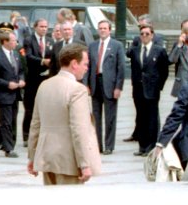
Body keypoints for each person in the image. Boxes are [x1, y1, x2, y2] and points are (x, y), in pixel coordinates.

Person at [27, 43, 101, 185]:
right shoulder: (77, 89)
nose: (87, 68)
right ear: (74, 64)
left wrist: (32, 157)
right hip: (69, 160)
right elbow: (79, 129)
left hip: (47, 157)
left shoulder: (44, 85)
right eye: (85, 64)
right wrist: (85, 164)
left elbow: (35, 125)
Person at [126, 24, 169, 156]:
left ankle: (151, 146)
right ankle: (142, 146)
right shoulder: (135, 50)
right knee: (141, 117)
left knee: (152, 118)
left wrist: (159, 86)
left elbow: (164, 70)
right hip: (138, 89)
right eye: (142, 34)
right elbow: (132, 64)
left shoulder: (159, 50)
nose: (144, 36)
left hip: (152, 89)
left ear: (152, 35)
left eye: (147, 34)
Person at [84, 20, 125, 155]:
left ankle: (109, 146)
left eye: (105, 28)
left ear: (109, 30)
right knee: (96, 117)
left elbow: (121, 68)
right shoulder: (92, 46)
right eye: (100, 28)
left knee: (110, 117)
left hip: (110, 85)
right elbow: (87, 67)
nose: (102, 30)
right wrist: (86, 84)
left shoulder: (117, 45)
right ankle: (97, 145)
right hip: (95, 83)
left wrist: (118, 87)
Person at [0, 28, 24, 158]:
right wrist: (7, 84)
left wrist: (22, 80)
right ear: (5, 42)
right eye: (13, 40)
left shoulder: (16, 55)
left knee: (11, 122)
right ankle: (8, 149)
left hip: (15, 94)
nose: (16, 43)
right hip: (3, 95)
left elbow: (21, 71)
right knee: (6, 123)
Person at [22, 18, 52, 144]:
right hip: (32, 79)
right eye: (41, 26)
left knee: (45, 107)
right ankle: (26, 135)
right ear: (35, 27)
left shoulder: (50, 41)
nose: (44, 29)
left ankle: (42, 134)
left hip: (46, 78)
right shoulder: (29, 40)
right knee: (30, 108)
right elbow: (28, 56)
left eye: (45, 27)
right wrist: (42, 61)